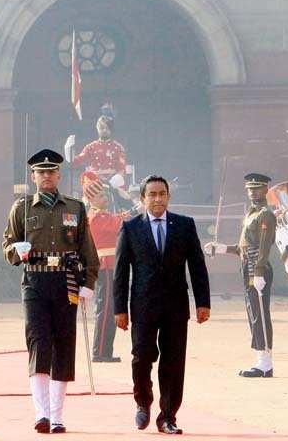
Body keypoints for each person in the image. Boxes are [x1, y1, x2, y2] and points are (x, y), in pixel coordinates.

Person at [2, 149, 100, 434]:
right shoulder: (21, 208)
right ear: (33, 176)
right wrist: (16, 252)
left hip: (66, 282)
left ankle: (58, 416)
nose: (46, 176)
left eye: (51, 171)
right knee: (38, 344)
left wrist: (88, 283)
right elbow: (8, 244)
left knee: (64, 346)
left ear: (59, 174)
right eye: (40, 172)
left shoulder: (75, 207)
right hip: (35, 281)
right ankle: (41, 414)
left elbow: (88, 251)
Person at [114, 174, 210, 435]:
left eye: (162, 194)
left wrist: (203, 303)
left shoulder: (184, 225)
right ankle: (142, 403)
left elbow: (197, 266)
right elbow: (121, 271)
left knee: (174, 362)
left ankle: (168, 416)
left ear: (168, 196)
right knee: (141, 358)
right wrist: (119, 309)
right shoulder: (130, 228)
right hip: (143, 306)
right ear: (143, 198)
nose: (157, 199)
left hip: (176, 306)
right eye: (152, 194)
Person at [205, 173, 277, 377]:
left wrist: (260, 270)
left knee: (261, 315)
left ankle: (266, 362)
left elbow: (264, 247)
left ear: (265, 190)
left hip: (257, 268)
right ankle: (260, 358)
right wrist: (220, 248)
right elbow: (241, 248)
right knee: (254, 314)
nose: (253, 192)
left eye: (257, 189)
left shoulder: (266, 215)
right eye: (250, 189)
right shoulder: (249, 215)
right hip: (247, 266)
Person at [80, 171, 127, 362]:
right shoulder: (95, 217)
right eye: (100, 196)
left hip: (111, 266)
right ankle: (99, 351)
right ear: (91, 199)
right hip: (105, 266)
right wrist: (129, 213)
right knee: (106, 308)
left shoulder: (102, 215)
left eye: (105, 194)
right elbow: (116, 225)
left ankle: (105, 350)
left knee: (110, 308)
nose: (105, 198)